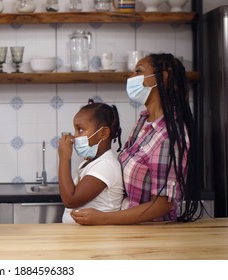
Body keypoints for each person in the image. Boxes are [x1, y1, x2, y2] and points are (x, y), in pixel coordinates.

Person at [72, 53, 201, 225]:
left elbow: (162, 205)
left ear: (161, 78)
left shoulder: (169, 136)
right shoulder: (143, 121)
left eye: (138, 71)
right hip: (131, 226)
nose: (131, 77)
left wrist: (103, 218)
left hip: (152, 231)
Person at [58, 100, 124, 224]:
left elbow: (70, 200)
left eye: (80, 130)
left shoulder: (106, 165)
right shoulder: (89, 162)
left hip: (97, 239)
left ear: (103, 133)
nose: (75, 136)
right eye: (75, 130)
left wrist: (64, 159)